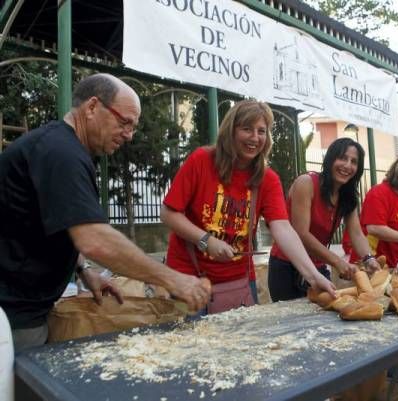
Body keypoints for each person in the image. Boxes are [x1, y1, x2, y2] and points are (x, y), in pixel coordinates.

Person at [0, 73, 211, 352]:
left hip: (27, 306)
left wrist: (84, 270)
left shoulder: (64, 148)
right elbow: (94, 238)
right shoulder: (61, 153)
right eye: (124, 122)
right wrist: (174, 279)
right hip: (14, 314)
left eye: (133, 127)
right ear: (91, 108)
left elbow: (59, 223)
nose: (129, 134)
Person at [161, 100, 336, 312]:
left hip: (238, 283)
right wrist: (206, 240)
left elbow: (283, 229)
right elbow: (169, 213)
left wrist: (314, 276)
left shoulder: (268, 179)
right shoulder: (201, 160)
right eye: (247, 129)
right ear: (230, 131)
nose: (255, 138)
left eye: (261, 131)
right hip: (188, 278)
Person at [268, 138, 380, 301]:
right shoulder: (306, 183)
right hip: (287, 266)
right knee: (291, 323)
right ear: (330, 159)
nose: (347, 165)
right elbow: (301, 233)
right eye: (342, 158)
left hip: (319, 266)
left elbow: (356, 233)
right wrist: (337, 262)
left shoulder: (348, 196)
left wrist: (369, 258)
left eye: (354, 162)